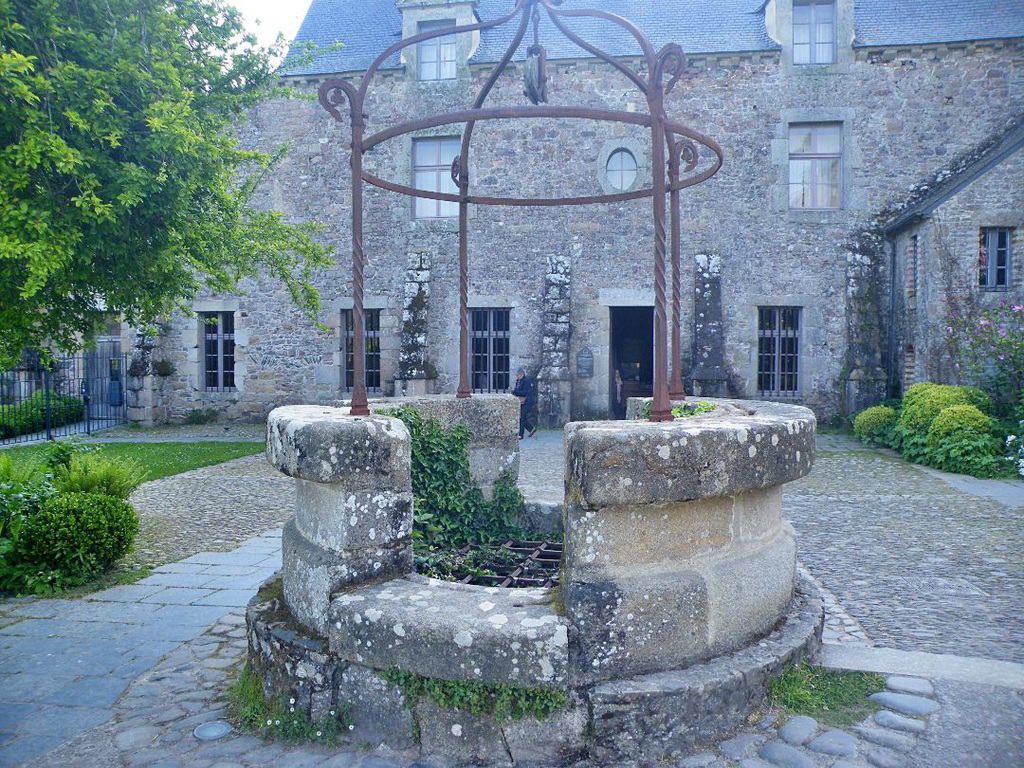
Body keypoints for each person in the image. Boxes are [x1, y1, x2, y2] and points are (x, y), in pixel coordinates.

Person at [512, 366, 537, 439]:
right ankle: (531, 429)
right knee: (522, 417)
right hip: (522, 401)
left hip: (528, 401)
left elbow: (525, 392)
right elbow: (518, 391)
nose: (517, 376)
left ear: (521, 374)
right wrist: (514, 392)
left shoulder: (526, 380)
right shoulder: (518, 381)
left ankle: (521, 435)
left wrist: (515, 391)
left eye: (518, 375)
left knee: (522, 418)